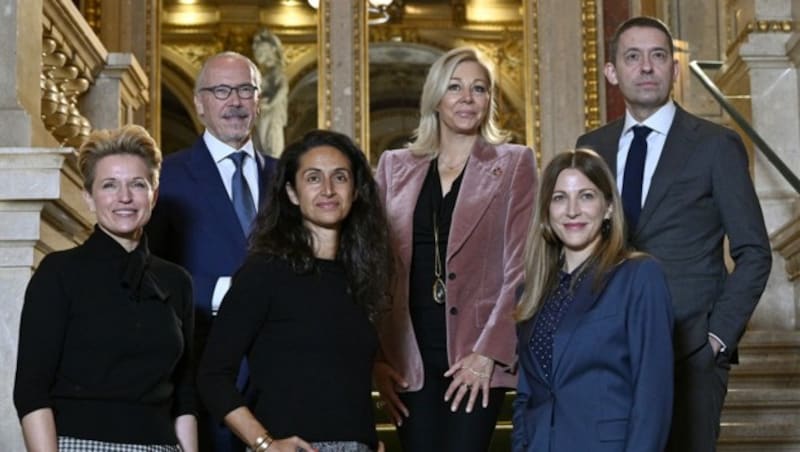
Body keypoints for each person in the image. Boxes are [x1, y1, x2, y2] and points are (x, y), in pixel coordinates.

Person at [576, 16, 772, 451]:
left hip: (690, 351)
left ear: (674, 69)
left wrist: (717, 337)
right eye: (632, 56)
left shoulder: (715, 145)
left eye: (658, 56)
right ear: (612, 72)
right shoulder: (592, 147)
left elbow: (755, 251)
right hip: (608, 352)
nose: (646, 67)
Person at [373, 46, 537, 451]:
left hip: (475, 351)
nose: (467, 97)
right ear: (436, 98)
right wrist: (376, 356)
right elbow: (373, 265)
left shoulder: (515, 162)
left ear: (488, 100)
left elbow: (523, 266)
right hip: (407, 355)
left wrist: (489, 353)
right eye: (455, 87)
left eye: (478, 89)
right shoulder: (394, 166)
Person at [197, 129, 392, 452]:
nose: (328, 189)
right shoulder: (263, 273)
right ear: (291, 192)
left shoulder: (363, 277)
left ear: (356, 190)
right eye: (313, 178)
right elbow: (212, 377)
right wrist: (265, 444)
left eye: (340, 177)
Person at [13, 125, 197, 452]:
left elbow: (185, 399)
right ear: (89, 198)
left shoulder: (176, 281)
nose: (124, 197)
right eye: (109, 185)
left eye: (137, 184)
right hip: (79, 445)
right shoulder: (59, 272)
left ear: (153, 194)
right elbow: (31, 390)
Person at [146, 51, 277, 452]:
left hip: (278, 370)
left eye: (244, 90)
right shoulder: (165, 177)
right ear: (200, 103)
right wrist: (224, 292)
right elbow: (149, 271)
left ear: (259, 100)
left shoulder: (287, 176)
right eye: (221, 91)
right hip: (200, 364)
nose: (234, 102)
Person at [512, 148, 673, 451]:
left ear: (609, 207)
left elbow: (653, 394)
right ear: (546, 210)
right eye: (560, 198)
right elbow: (526, 393)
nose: (572, 210)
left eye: (586, 196)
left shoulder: (639, 276)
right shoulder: (530, 291)